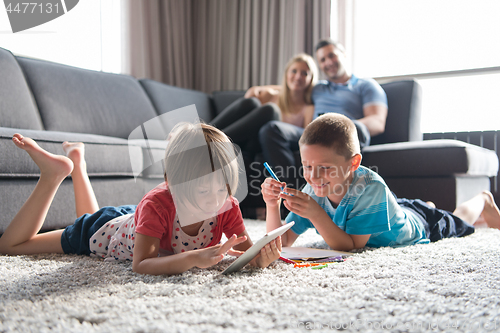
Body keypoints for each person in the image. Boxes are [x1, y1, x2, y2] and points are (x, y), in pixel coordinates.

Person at [0, 123, 282, 275]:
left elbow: (247, 250)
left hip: (137, 222)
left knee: (96, 217)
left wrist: (259, 258)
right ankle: (53, 174)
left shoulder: (226, 205)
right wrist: (193, 258)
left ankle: (78, 164)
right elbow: (142, 265)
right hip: (107, 228)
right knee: (11, 246)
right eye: (203, 191)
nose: (215, 200)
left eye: (223, 188)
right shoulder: (157, 204)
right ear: (173, 184)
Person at [262, 113, 500, 251]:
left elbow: (351, 245)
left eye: (324, 168)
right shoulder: (315, 189)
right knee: (410, 206)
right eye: (307, 166)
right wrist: (272, 205)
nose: (312, 177)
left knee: (457, 221)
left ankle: (483, 200)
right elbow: (280, 242)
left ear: (353, 163)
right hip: (390, 208)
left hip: (419, 228)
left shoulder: (370, 187)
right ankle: (420, 206)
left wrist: (315, 214)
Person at [259, 39, 388, 187]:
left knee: (358, 130)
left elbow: (377, 122)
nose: (328, 62)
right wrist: (259, 89)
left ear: (344, 55)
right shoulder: (318, 88)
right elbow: (292, 84)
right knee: (272, 129)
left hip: (344, 133)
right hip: (312, 132)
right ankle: (292, 195)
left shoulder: (365, 86)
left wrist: (340, 126)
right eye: (322, 59)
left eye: (331, 56)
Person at [210, 53, 318, 156]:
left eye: (304, 73)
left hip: (263, 142)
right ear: (286, 74)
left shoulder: (308, 108)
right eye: (294, 71)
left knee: (271, 110)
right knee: (252, 102)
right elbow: (249, 96)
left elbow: (305, 141)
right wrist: (270, 88)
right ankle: (203, 132)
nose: (298, 76)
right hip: (243, 136)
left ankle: (213, 141)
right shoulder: (273, 95)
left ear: (311, 79)